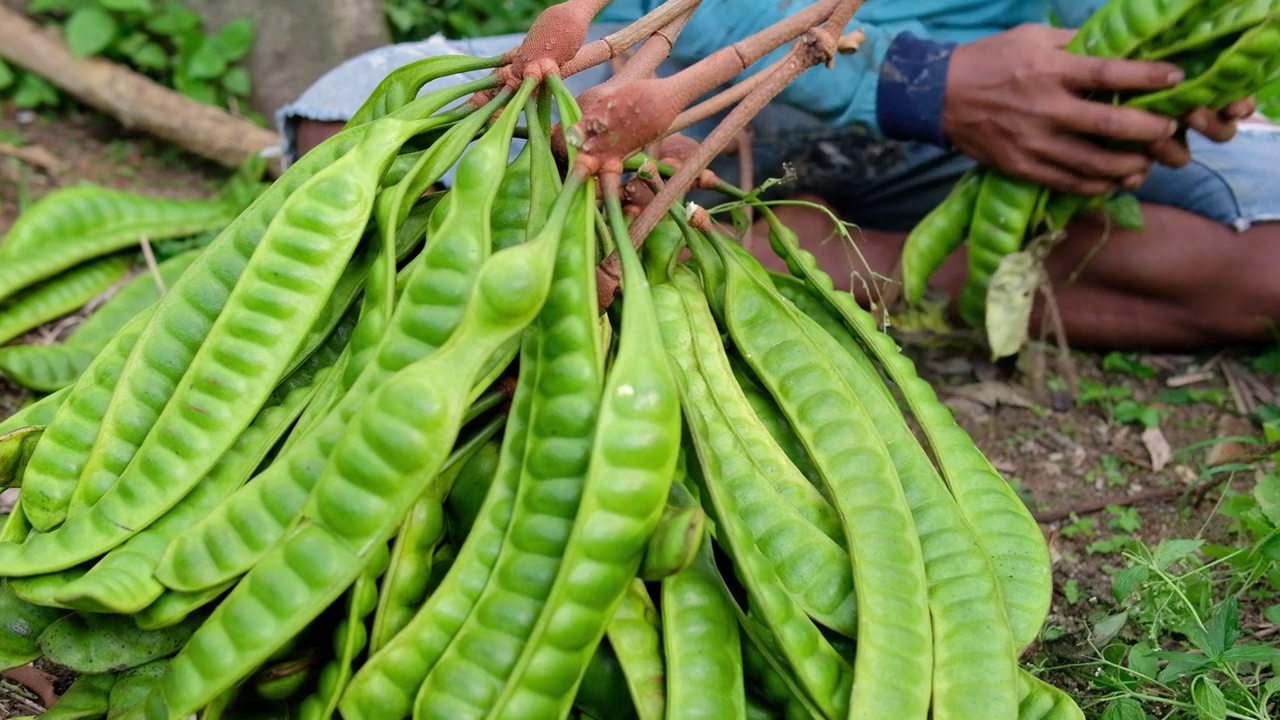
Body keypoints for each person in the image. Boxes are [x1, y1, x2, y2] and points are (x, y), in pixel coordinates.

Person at [278, 0, 1280, 350]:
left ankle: (800, 259)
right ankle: (687, 231)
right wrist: (915, 81)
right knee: (348, 121)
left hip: (985, 135)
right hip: (681, 65)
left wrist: (1147, 83)